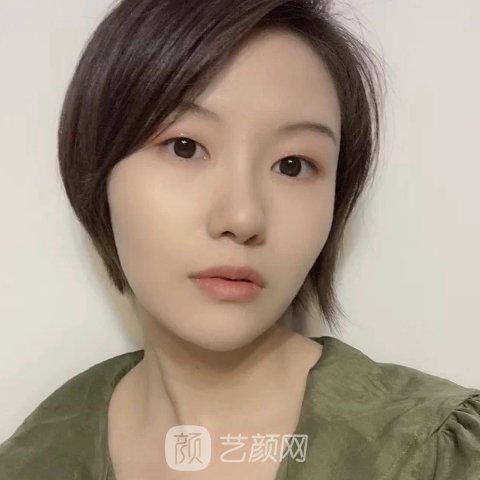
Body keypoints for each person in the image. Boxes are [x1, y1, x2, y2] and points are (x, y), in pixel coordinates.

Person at [1, 0, 479, 479]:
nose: (244, 217)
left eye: (293, 165)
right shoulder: (39, 458)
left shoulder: (436, 453)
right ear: (97, 169)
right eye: (185, 147)